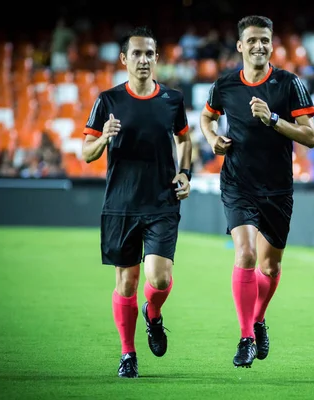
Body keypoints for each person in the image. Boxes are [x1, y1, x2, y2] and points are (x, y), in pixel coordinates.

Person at [199, 15, 314, 368]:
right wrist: (212, 140)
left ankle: (258, 318)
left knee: (271, 265)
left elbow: (311, 136)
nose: (259, 46)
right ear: (240, 46)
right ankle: (246, 336)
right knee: (247, 254)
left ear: (272, 44)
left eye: (264, 40)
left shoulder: (289, 84)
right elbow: (206, 118)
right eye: (252, 40)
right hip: (237, 183)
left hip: (278, 188)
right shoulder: (225, 85)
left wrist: (273, 120)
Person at [82, 26, 192, 378]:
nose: (143, 60)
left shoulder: (172, 100)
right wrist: (104, 140)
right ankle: (128, 354)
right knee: (126, 283)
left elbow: (185, 140)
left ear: (156, 58)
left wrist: (186, 172)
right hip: (121, 203)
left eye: (149, 54)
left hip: (161, 201)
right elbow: (86, 152)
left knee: (159, 280)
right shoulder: (107, 101)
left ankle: (154, 314)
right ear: (124, 59)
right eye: (137, 54)